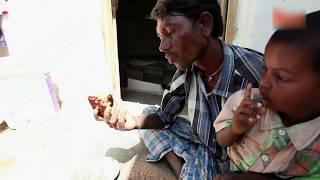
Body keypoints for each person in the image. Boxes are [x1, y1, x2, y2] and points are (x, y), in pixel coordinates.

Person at [96, 0, 265, 179]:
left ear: (205, 24)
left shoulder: (258, 74)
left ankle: (185, 164)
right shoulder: (187, 71)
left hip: (242, 161)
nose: (162, 47)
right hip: (205, 143)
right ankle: (179, 165)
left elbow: (291, 150)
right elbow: (163, 116)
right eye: (160, 38)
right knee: (147, 114)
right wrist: (129, 122)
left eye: (170, 32)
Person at [214, 11, 320, 180]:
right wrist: (235, 128)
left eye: (280, 77)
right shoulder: (247, 101)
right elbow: (221, 140)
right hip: (225, 165)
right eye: (265, 69)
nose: (263, 82)